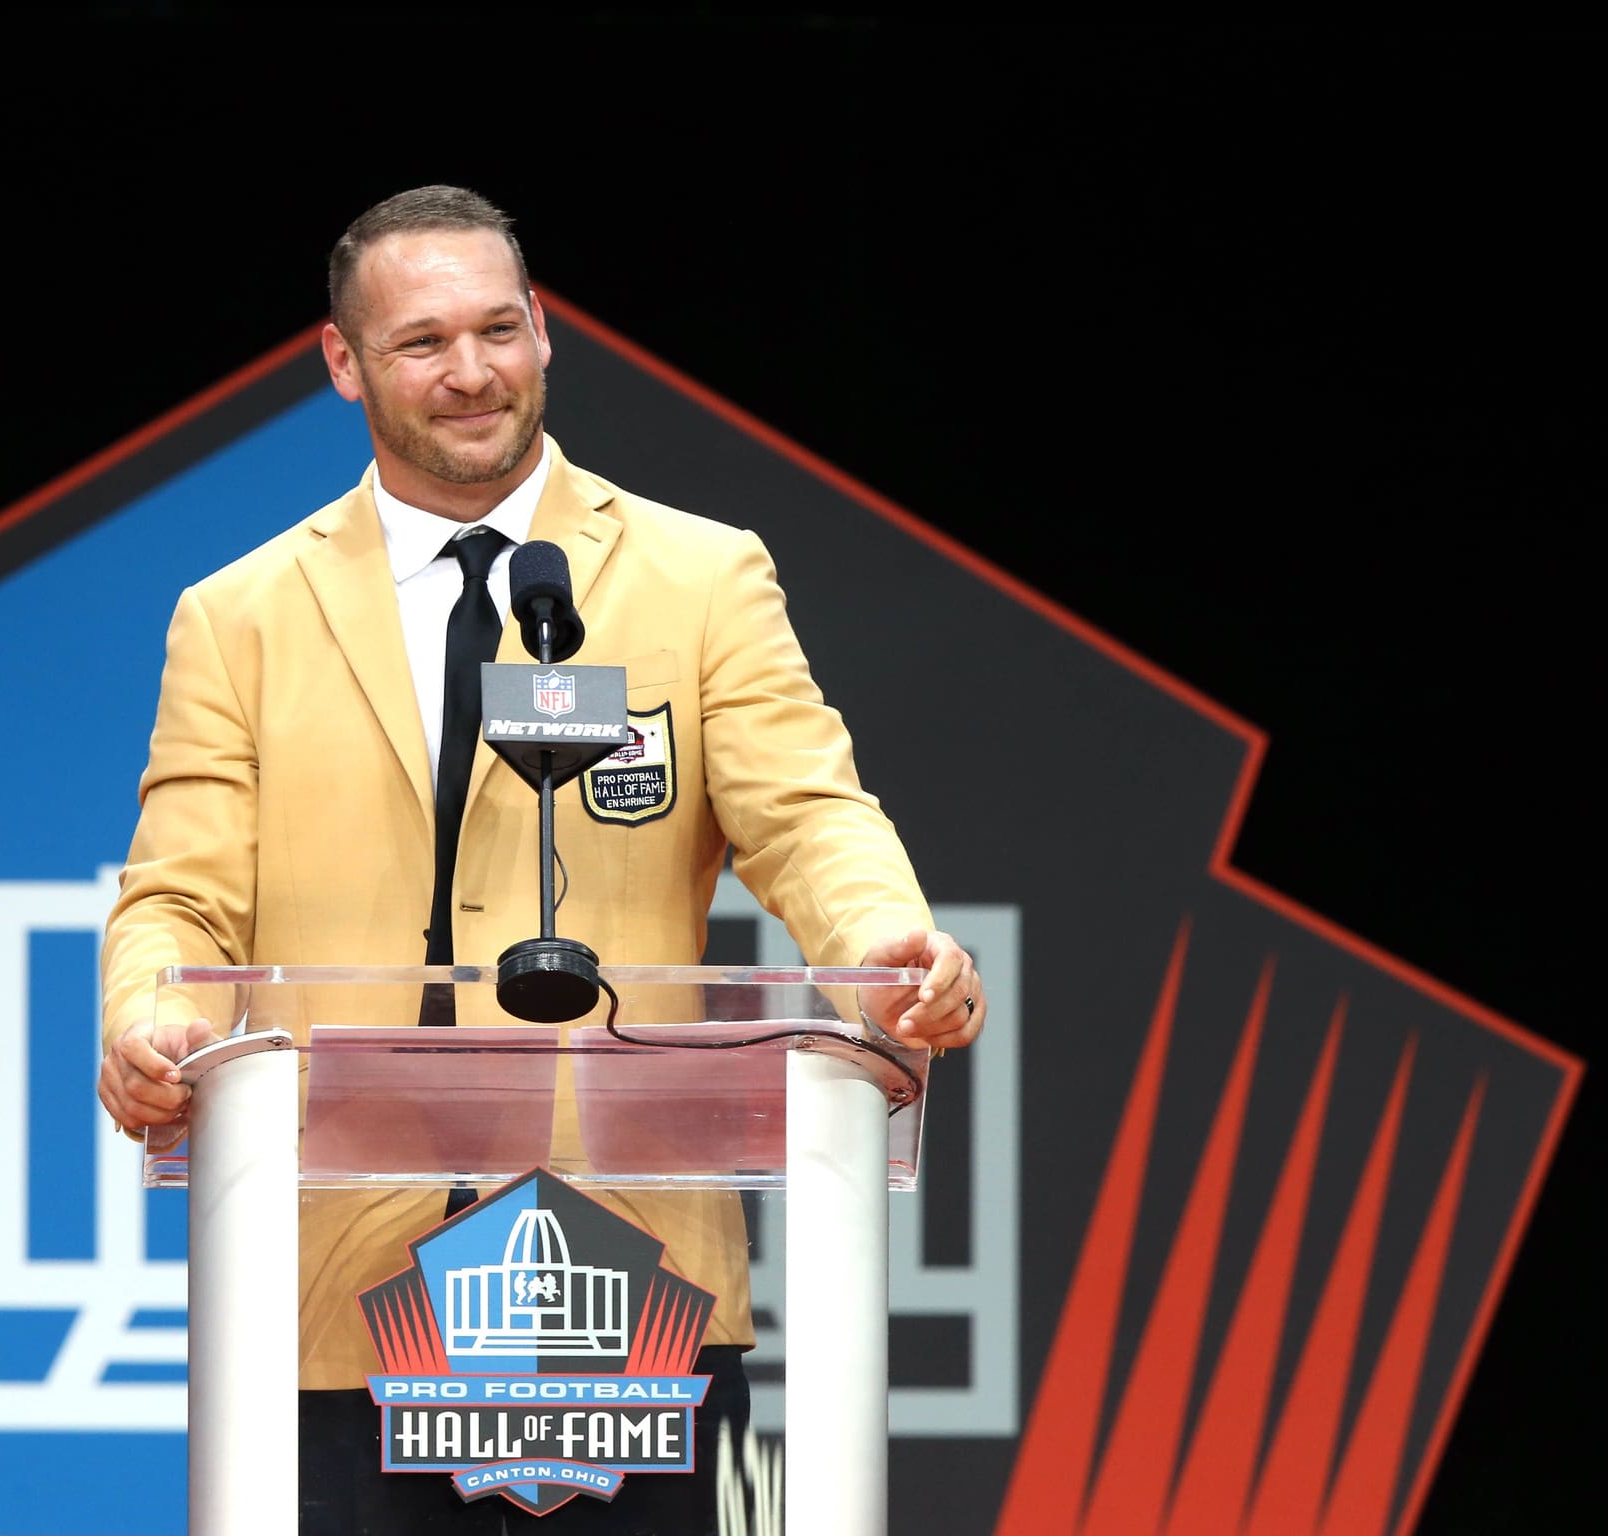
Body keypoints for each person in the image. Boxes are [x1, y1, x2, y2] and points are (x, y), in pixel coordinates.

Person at [97, 186, 985, 1533]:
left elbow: (807, 817)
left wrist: (884, 944)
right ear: (341, 364)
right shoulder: (240, 617)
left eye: (497, 329)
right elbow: (180, 890)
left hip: (633, 1291)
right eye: (420, 342)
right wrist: (152, 1015)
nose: (470, 373)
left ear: (545, 332)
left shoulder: (699, 578)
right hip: (339, 1299)